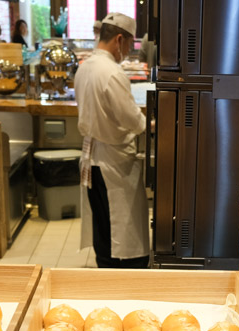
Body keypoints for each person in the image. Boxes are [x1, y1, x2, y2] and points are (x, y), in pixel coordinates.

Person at [76, 13, 148, 268]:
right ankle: (121, 273)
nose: (128, 51)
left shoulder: (85, 67)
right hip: (113, 163)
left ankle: (105, 268)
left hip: (93, 157)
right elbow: (132, 119)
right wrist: (145, 124)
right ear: (119, 39)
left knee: (102, 224)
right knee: (119, 225)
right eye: (129, 44)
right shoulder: (111, 72)